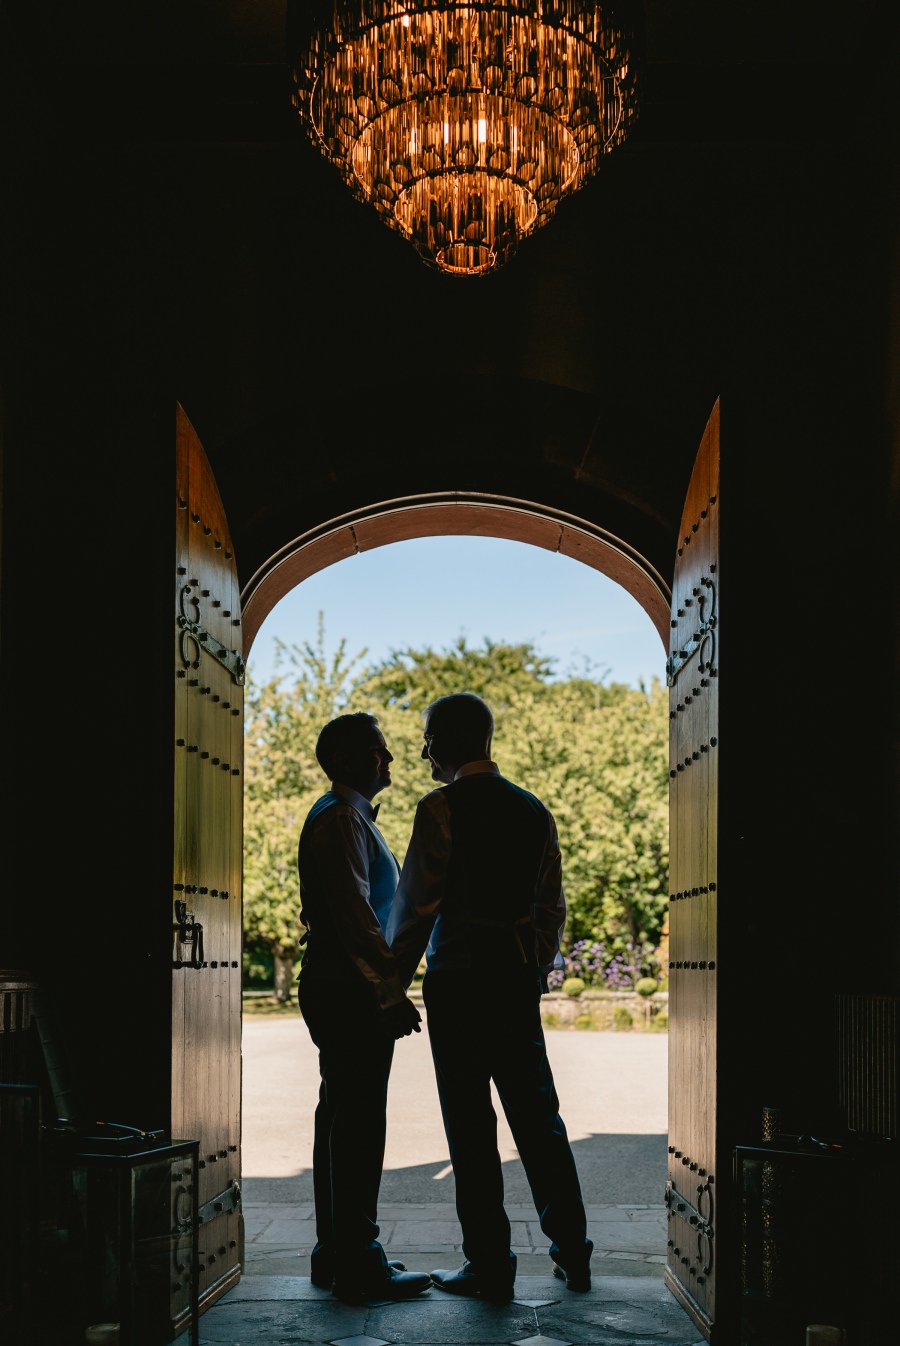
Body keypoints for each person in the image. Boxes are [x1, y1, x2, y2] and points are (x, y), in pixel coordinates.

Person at [386, 692, 593, 1304]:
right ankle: (573, 1251)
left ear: (446, 742)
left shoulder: (439, 809)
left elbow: (416, 908)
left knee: (470, 1126)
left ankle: (489, 1264)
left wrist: (389, 985)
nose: (423, 749)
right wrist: (533, 970)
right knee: (539, 1118)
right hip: (511, 982)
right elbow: (549, 908)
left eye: (428, 736)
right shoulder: (534, 811)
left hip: (456, 983)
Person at [296, 711, 431, 1304]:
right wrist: (388, 990)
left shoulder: (344, 816)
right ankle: (358, 1260)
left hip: (336, 984)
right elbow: (355, 917)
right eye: (380, 751)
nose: (391, 759)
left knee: (340, 1119)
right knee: (358, 1125)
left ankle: (338, 1251)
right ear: (349, 759)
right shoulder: (345, 818)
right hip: (349, 989)